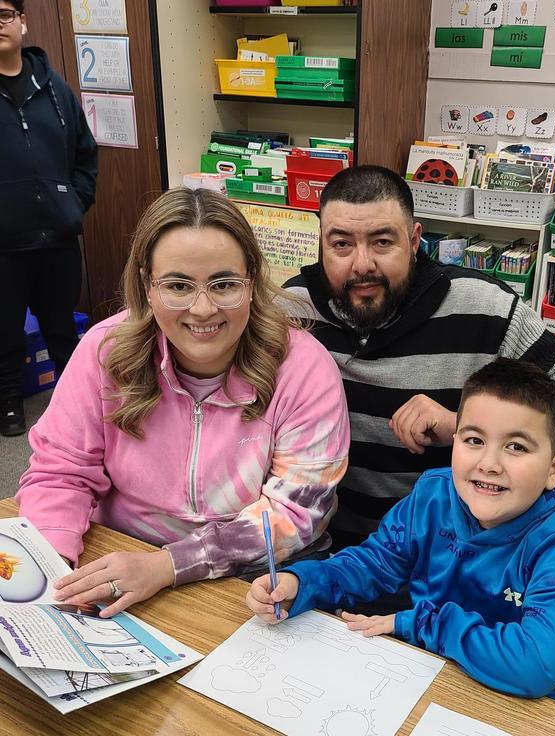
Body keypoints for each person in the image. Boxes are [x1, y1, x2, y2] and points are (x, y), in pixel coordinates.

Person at [17, 187, 349, 616]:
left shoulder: (304, 368)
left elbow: (295, 514)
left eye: (224, 284)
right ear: (147, 286)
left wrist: (167, 565)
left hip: (258, 574)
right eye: (177, 285)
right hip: (124, 551)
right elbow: (60, 471)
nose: (203, 309)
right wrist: (53, 564)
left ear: (252, 282)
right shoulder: (105, 350)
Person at [284, 165, 555, 552]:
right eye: (341, 244)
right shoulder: (291, 311)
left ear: (413, 241)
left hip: (452, 560)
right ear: (321, 243)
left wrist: (468, 426)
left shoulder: (486, 309)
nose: (362, 265)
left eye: (382, 242)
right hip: (320, 551)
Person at [246, 358, 555, 707]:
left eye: (516, 447)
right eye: (474, 440)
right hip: (437, 674)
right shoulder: (434, 495)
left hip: (543, 710)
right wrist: (302, 584)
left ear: (554, 469)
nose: (489, 464)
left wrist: (419, 622)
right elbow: (374, 563)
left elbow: (535, 666)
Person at [0, 0, 98, 437]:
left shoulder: (54, 88)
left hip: (57, 235)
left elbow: (85, 152)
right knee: (4, 333)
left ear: (22, 21)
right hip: (3, 242)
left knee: (62, 327)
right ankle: (9, 404)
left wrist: (74, 204)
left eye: (4, 15)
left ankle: (73, 402)